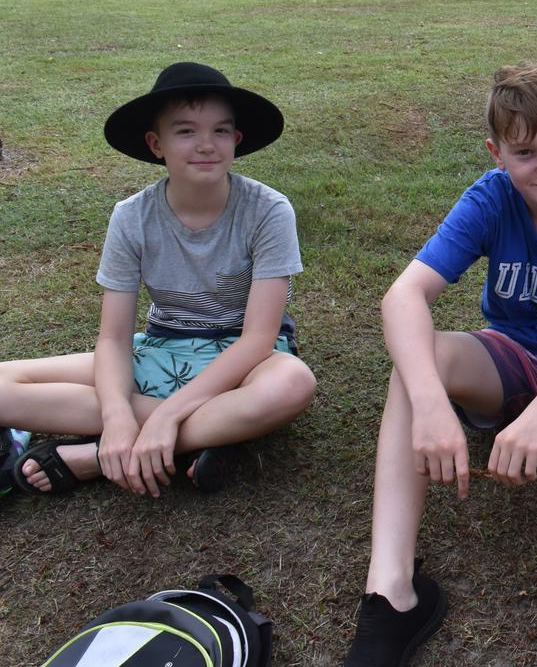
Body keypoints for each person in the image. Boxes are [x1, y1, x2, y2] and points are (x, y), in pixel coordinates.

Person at [341, 65, 537, 667]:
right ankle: (390, 596)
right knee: (417, 363)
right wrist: (433, 403)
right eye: (525, 152)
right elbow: (402, 297)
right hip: (511, 354)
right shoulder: (490, 197)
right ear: (497, 153)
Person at [0, 62, 316, 498]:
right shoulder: (132, 216)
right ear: (156, 144)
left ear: (236, 141)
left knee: (293, 383)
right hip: (162, 348)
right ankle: (208, 436)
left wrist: (166, 417)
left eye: (221, 131)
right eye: (185, 131)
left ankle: (101, 457)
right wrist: (114, 415)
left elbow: (257, 340)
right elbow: (112, 339)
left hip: (246, 361)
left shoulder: (268, 210)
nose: (206, 144)